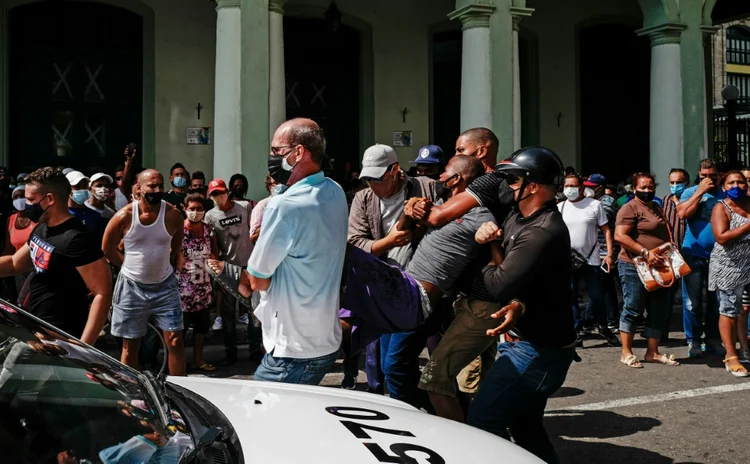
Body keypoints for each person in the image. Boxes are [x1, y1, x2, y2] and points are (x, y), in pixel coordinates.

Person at [211, 118, 347, 385]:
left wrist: (236, 276)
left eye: (276, 151)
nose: (271, 157)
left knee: (263, 420)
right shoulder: (336, 191)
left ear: (298, 153)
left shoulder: (283, 207)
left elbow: (257, 279)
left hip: (292, 350)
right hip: (326, 342)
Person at [467, 147, 577, 464]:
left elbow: (499, 283)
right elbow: (517, 280)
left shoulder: (543, 230)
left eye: (514, 179)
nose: (507, 186)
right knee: (526, 427)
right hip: (527, 343)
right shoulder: (519, 215)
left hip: (538, 352)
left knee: (482, 421)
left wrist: (487, 247)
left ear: (535, 186)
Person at [347, 143, 438, 397]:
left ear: (395, 170)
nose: (372, 186)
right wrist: (388, 242)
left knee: (400, 362)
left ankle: (429, 408)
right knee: (383, 360)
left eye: (377, 179)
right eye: (367, 179)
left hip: (422, 285)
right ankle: (396, 401)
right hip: (382, 287)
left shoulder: (425, 187)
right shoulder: (363, 198)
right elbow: (353, 242)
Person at [0, 167, 112, 344]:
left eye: (30, 200)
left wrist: (83, 347)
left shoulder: (77, 239)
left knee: (9, 372)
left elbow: (102, 293)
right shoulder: (42, 228)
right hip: (36, 328)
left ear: (50, 199)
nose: (26, 205)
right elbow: (15, 263)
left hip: (62, 336)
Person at [103, 169, 186, 376]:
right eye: (151, 186)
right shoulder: (125, 216)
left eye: (160, 186)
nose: (157, 190)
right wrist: (125, 264)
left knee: (175, 341)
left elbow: (177, 240)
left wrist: (170, 258)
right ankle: (134, 395)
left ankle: (180, 392)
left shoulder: (173, 214)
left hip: (165, 285)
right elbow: (107, 248)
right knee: (130, 345)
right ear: (139, 188)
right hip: (131, 287)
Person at [615, 172, 679, 368]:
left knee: (658, 308)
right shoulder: (629, 208)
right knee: (633, 308)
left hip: (659, 265)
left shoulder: (656, 207)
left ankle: (653, 352)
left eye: (650, 187)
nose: (647, 191)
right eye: (643, 187)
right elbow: (620, 236)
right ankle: (626, 352)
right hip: (635, 265)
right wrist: (645, 252)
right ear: (634, 189)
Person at [559, 174, 619, 347]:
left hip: (591, 259)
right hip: (567, 261)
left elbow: (606, 230)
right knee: (570, 297)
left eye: (574, 185)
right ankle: (575, 331)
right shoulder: (560, 207)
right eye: (567, 185)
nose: (570, 188)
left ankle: (602, 326)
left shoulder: (594, 205)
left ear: (581, 187)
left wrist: (609, 253)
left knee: (597, 296)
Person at [204, 178, 258, 365]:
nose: (219, 197)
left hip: (249, 265)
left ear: (227, 192)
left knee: (254, 311)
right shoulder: (210, 216)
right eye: (214, 195)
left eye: (220, 192)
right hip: (227, 268)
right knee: (228, 315)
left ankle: (255, 350)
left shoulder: (245, 207)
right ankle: (230, 353)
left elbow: (255, 230)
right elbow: (212, 243)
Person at [677, 159, 725, 358]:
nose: (708, 179)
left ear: (719, 175)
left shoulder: (724, 194)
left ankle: (713, 338)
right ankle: (694, 340)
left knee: (716, 300)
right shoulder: (690, 193)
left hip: (720, 256)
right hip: (693, 253)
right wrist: (700, 192)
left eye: (712, 176)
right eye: (704, 176)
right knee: (692, 302)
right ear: (699, 175)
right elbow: (682, 213)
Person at [709, 171, 750, 376]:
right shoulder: (721, 207)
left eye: (740, 182)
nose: (736, 185)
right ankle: (731, 356)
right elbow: (722, 237)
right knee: (729, 310)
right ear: (723, 187)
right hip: (729, 267)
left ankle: (745, 349)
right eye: (731, 183)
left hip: (748, 266)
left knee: (745, 308)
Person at [176, 193, 219, 372]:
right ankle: (178, 363)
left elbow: (215, 254)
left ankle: (198, 359)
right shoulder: (178, 231)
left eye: (199, 209)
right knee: (180, 329)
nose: (195, 212)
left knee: (201, 328)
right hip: (181, 290)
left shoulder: (209, 230)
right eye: (191, 209)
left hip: (203, 287)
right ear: (184, 209)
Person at [661, 168, 690, 340]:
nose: (675, 186)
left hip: (690, 254)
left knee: (690, 299)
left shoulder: (694, 201)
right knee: (667, 295)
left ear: (686, 183)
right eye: (671, 182)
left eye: (678, 182)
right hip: (671, 256)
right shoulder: (666, 201)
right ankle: (662, 331)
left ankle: (692, 335)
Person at [3, 186, 36, 298]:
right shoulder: (11, 219)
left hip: (34, 269)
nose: (19, 199)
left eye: (22, 196)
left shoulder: (37, 218)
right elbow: (9, 249)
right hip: (18, 270)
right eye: (16, 197)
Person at [66, 171, 107, 239]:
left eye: (84, 186)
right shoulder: (61, 214)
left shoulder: (95, 216)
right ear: (67, 188)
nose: (82, 189)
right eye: (78, 186)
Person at [250, 174, 279, 244]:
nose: (280, 185)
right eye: (276, 183)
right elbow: (253, 236)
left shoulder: (290, 203)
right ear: (270, 187)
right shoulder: (262, 206)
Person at [114, 145, 137, 211]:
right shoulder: (113, 194)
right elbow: (125, 183)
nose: (121, 180)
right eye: (118, 178)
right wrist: (129, 161)